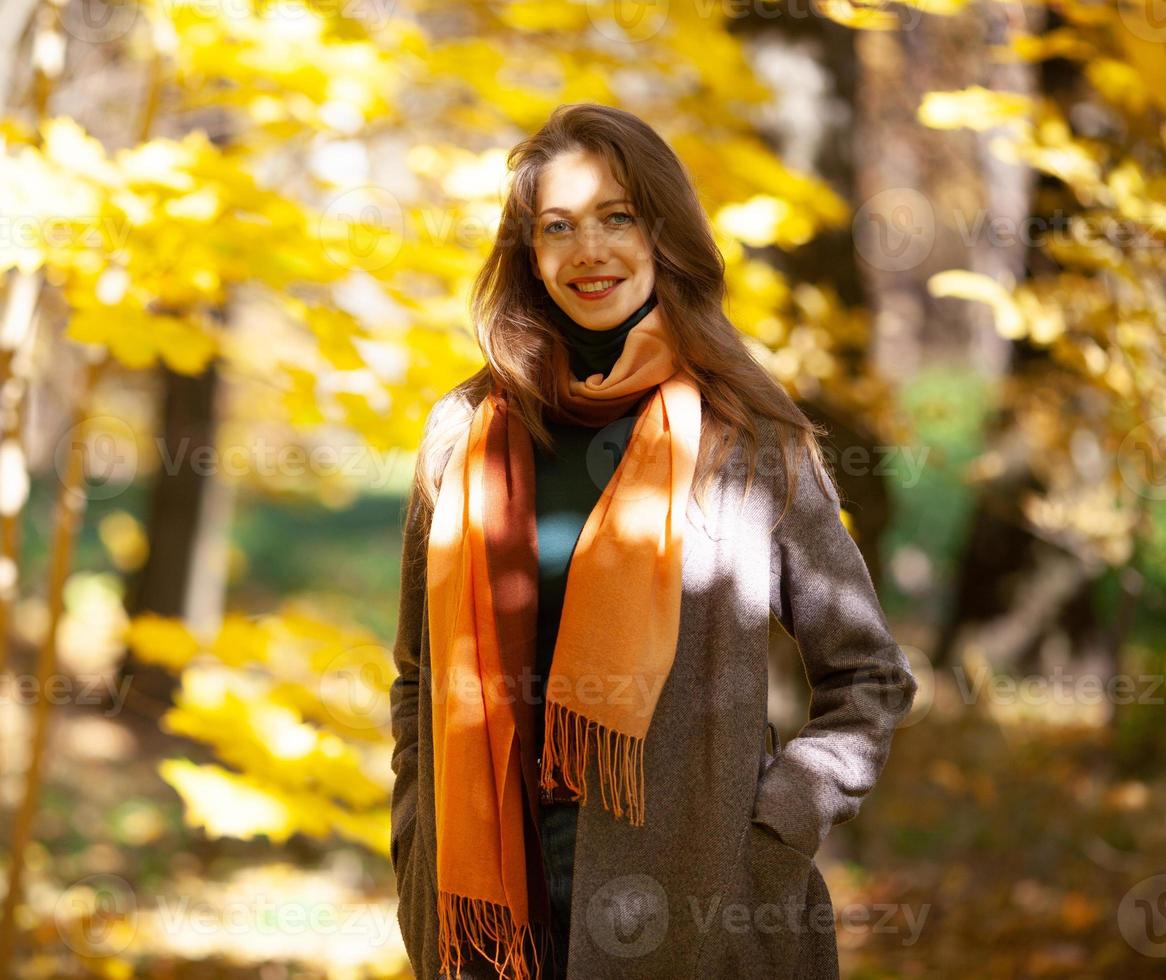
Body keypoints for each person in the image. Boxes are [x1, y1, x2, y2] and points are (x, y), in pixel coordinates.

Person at [388, 103, 918, 980]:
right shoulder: (464, 432)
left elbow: (868, 676)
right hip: (495, 914)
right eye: (556, 228)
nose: (587, 251)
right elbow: (418, 677)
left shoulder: (746, 436)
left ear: (663, 234)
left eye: (616, 218)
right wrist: (417, 832)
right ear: (528, 255)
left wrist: (771, 831)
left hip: (704, 914)